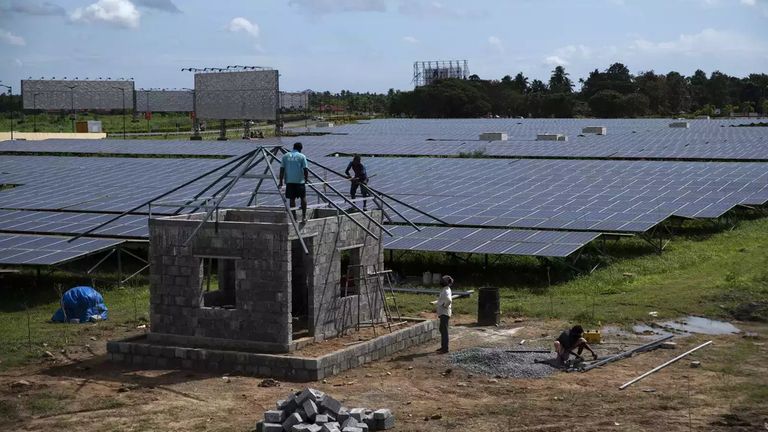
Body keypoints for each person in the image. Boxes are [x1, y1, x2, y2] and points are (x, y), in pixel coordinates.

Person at [278, 142, 309, 222]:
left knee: (292, 199)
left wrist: (281, 182)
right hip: (300, 181)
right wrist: (306, 179)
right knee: (303, 198)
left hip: (289, 181)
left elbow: (282, 170)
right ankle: (304, 217)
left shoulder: (285, 156)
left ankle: (294, 217)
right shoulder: (302, 156)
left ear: (293, 147)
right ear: (300, 149)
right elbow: (305, 169)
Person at [436, 275, 454, 354]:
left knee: (444, 330)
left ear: (446, 282)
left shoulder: (446, 290)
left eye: (443, 280)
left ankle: (445, 348)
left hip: (444, 313)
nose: (441, 281)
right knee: (442, 329)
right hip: (443, 313)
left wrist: (444, 305)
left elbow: (449, 300)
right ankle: (443, 347)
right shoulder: (446, 289)